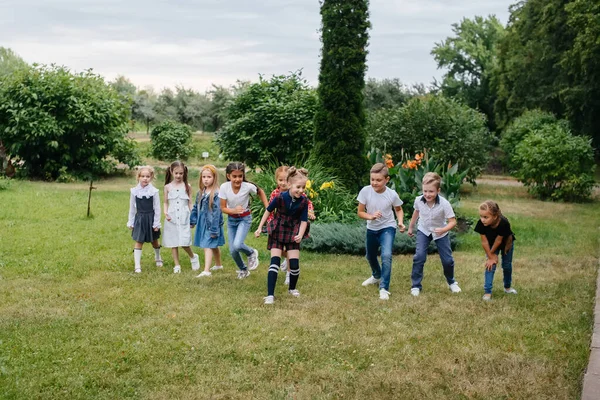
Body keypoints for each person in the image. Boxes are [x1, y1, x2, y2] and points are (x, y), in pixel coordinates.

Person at [255, 167, 310, 304]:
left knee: (295, 265)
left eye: (303, 187)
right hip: (278, 230)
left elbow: (304, 221)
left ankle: (292, 288)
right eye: (298, 187)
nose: (301, 190)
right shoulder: (280, 197)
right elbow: (268, 211)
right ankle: (270, 295)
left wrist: (300, 234)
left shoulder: (304, 201)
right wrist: (260, 227)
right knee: (274, 262)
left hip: (293, 232)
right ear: (290, 184)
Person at [408, 172, 461, 296]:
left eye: (431, 191)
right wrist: (411, 227)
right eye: (425, 191)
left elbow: (452, 221)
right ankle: (416, 286)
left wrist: (444, 229)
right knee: (419, 257)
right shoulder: (418, 200)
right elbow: (416, 213)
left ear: (438, 190)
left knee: (447, 260)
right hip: (423, 230)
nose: (427, 194)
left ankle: (451, 282)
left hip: (440, 232)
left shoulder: (444, 203)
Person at [357, 163, 405, 300]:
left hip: (387, 228)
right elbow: (360, 212)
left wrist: (400, 222)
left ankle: (384, 288)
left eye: (378, 180)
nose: (374, 183)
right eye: (372, 179)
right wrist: (370, 216)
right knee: (370, 256)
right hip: (371, 229)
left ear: (386, 180)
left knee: (386, 255)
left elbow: (399, 209)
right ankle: (376, 275)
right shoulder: (365, 191)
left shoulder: (391, 194)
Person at [266, 166, 315, 285]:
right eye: (280, 180)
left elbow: (306, 206)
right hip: (279, 226)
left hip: (293, 227)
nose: (282, 183)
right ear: (276, 180)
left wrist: (310, 213)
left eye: (284, 180)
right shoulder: (276, 194)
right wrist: (270, 224)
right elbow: (271, 209)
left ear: (289, 181)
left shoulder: (299, 194)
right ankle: (285, 261)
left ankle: (289, 273)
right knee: (278, 250)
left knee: (291, 251)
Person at [219, 162, 268, 279]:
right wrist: (233, 211)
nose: (237, 179)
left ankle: (251, 252)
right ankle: (243, 269)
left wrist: (268, 207)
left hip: (244, 219)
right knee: (232, 250)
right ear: (228, 176)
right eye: (234, 176)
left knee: (237, 244)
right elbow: (222, 208)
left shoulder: (247, 187)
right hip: (232, 220)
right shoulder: (224, 187)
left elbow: (260, 191)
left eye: (240, 176)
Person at [474, 200, 518, 301]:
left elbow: (499, 241)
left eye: (486, 217)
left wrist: (493, 254)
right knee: (490, 265)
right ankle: (487, 292)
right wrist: (490, 257)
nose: (482, 220)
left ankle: (507, 287)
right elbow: (484, 242)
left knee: (506, 265)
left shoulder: (503, 222)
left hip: (506, 243)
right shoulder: (481, 224)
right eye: (481, 216)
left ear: (495, 216)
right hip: (490, 244)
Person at [163, 161, 200, 274]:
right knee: (173, 242)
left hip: (184, 216)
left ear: (184, 173)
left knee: (184, 241)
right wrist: (165, 212)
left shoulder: (187, 186)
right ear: (171, 172)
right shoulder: (167, 187)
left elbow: (190, 203)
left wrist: (193, 216)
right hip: (172, 217)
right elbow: (165, 202)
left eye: (181, 173)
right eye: (176, 173)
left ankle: (193, 256)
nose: (178, 176)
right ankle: (177, 265)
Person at [126, 166, 163, 273]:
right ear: (138, 177)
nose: (145, 178)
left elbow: (157, 208)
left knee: (154, 241)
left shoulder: (154, 191)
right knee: (139, 241)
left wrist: (156, 223)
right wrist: (131, 221)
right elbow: (132, 208)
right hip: (140, 219)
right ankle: (137, 266)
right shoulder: (134, 191)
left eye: (147, 176)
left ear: (151, 177)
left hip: (151, 218)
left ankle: (158, 257)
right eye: (142, 176)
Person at [190, 164, 225, 277]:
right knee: (213, 245)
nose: (206, 179)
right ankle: (219, 265)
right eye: (204, 177)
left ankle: (206, 270)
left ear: (214, 178)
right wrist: (193, 220)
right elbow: (196, 207)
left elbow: (216, 213)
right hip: (203, 223)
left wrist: (214, 229)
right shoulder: (201, 192)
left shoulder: (216, 193)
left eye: (209, 177)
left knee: (207, 245)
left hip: (211, 225)